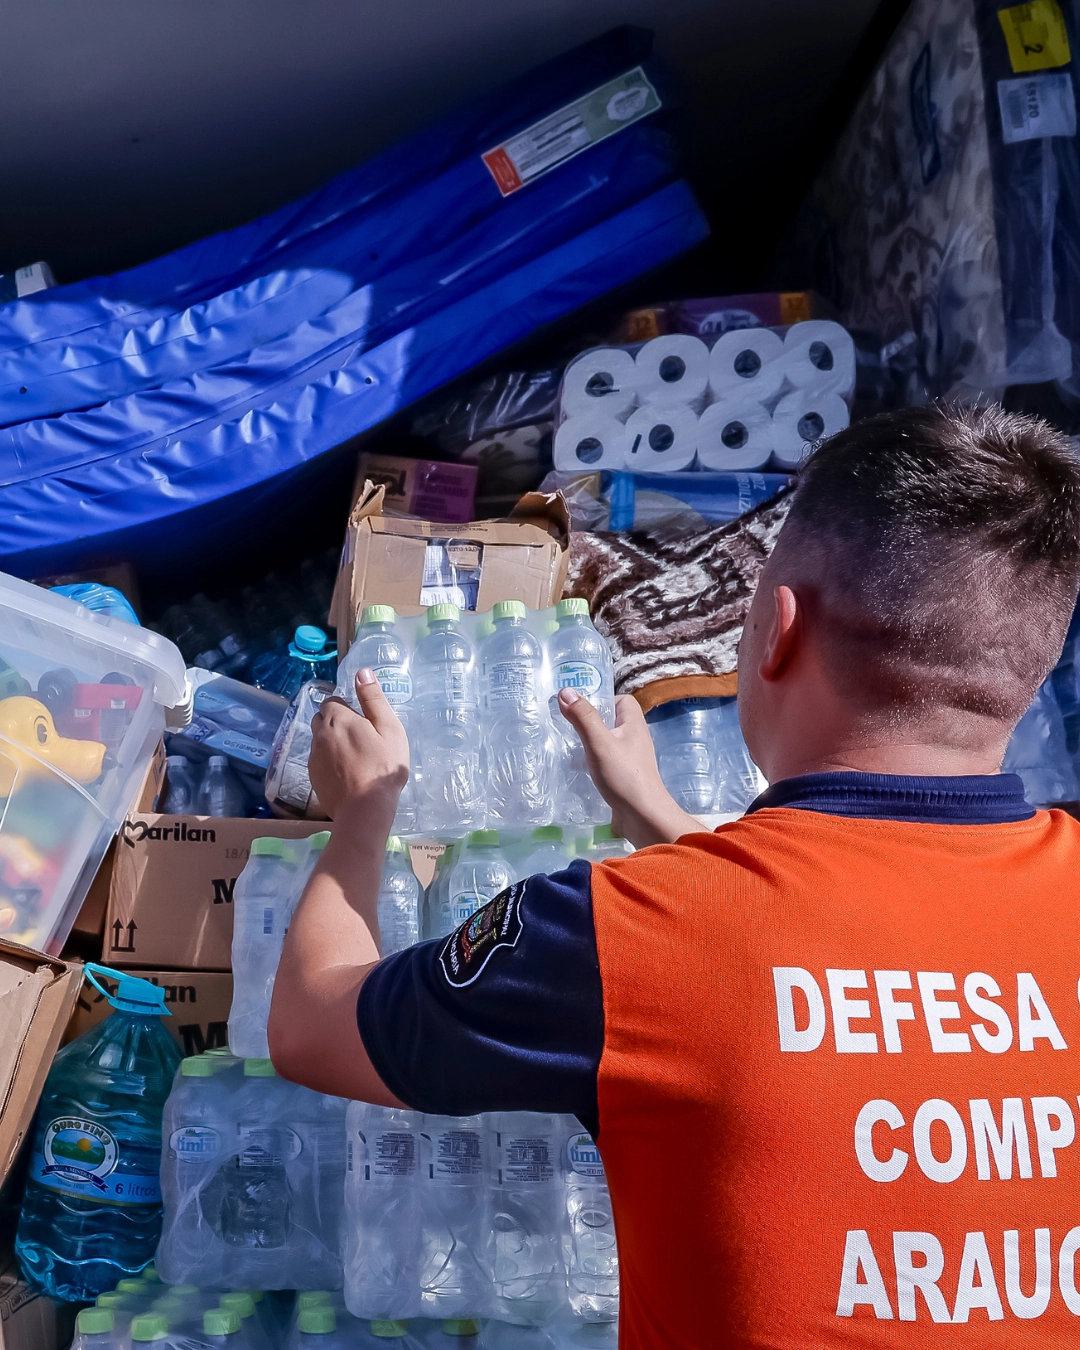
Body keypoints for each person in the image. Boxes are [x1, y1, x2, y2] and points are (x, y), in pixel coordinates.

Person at [268, 403, 1080, 1348]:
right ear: (1028, 674)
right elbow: (868, 930)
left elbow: (312, 1026)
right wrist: (662, 822)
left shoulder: (622, 934)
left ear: (776, 630)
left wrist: (363, 817)